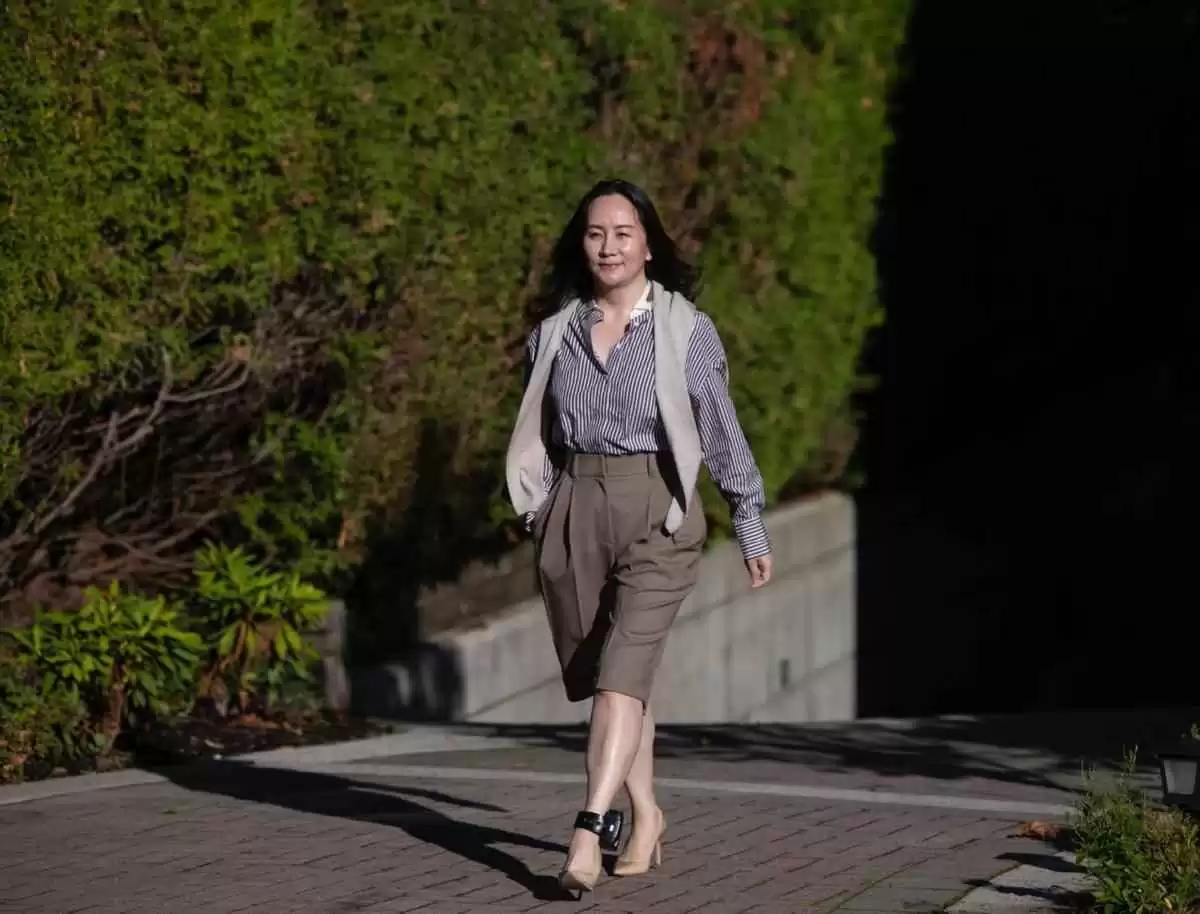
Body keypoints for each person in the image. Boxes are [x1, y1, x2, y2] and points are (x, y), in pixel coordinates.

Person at [505, 179, 773, 896]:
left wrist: (748, 519)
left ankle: (588, 829)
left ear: (648, 244)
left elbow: (719, 429)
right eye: (596, 233)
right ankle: (647, 813)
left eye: (623, 233)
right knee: (615, 673)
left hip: (659, 509)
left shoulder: (685, 330)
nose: (609, 247)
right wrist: (538, 509)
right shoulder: (554, 335)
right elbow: (537, 431)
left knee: (620, 674)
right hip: (576, 506)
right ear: (582, 245)